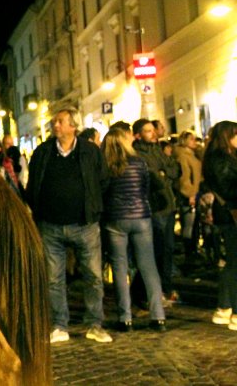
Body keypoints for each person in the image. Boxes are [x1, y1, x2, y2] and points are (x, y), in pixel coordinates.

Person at [26, 108, 111, 344]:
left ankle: (94, 323)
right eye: (54, 122)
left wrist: (92, 207)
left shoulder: (90, 151)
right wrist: (40, 210)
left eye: (60, 122)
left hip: (84, 224)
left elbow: (103, 181)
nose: (55, 125)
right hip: (51, 226)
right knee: (54, 279)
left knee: (93, 276)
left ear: (73, 126)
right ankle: (59, 325)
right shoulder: (43, 152)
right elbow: (33, 184)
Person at [101, 128, 166, 332]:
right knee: (148, 266)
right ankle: (158, 316)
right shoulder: (139, 163)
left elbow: (103, 191)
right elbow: (146, 187)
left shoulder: (107, 166)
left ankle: (125, 318)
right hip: (141, 217)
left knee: (120, 269)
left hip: (116, 219)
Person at [132, 118, 181, 304]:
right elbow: (154, 177)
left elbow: (175, 170)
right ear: (138, 134)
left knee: (168, 250)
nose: (153, 134)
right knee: (155, 251)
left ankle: (165, 288)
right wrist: (162, 173)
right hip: (155, 208)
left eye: (153, 130)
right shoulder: (138, 154)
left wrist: (165, 172)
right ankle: (147, 292)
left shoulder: (158, 150)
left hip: (168, 204)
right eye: (147, 131)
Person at [201, 121, 237, 330]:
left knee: (231, 261)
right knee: (234, 262)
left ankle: (224, 308)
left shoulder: (223, 156)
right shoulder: (221, 159)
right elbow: (229, 188)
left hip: (228, 213)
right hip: (230, 213)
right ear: (227, 136)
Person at [175, 130, 203, 265]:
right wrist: (190, 193)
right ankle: (189, 253)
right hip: (190, 195)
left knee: (194, 224)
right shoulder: (183, 156)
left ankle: (193, 251)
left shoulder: (192, 155)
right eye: (191, 139)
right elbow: (184, 178)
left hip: (196, 193)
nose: (194, 142)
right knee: (189, 225)